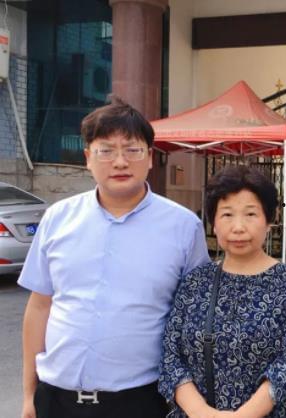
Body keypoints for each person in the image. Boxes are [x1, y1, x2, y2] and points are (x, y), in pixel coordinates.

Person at [18, 98, 210, 418]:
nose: (120, 162)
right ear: (87, 158)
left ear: (150, 157)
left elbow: (194, 319)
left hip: (140, 400)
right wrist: (29, 394)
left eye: (132, 150)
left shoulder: (184, 227)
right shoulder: (58, 218)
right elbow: (40, 306)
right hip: (56, 399)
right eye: (106, 151)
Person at [159, 166, 286, 418]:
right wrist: (202, 413)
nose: (238, 227)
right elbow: (170, 357)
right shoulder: (195, 282)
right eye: (227, 215)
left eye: (250, 214)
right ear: (213, 223)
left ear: (269, 220)